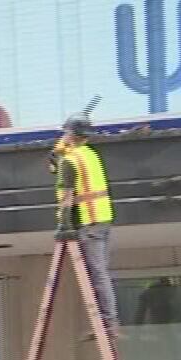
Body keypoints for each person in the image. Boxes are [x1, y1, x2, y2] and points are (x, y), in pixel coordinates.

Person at [53, 116, 118, 334]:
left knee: (97, 274)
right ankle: (108, 320)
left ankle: (107, 322)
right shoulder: (89, 154)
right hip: (103, 219)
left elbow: (67, 194)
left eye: (65, 133)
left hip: (88, 222)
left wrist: (63, 224)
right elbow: (69, 171)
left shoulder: (70, 160)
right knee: (102, 273)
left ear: (70, 134)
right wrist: (59, 157)